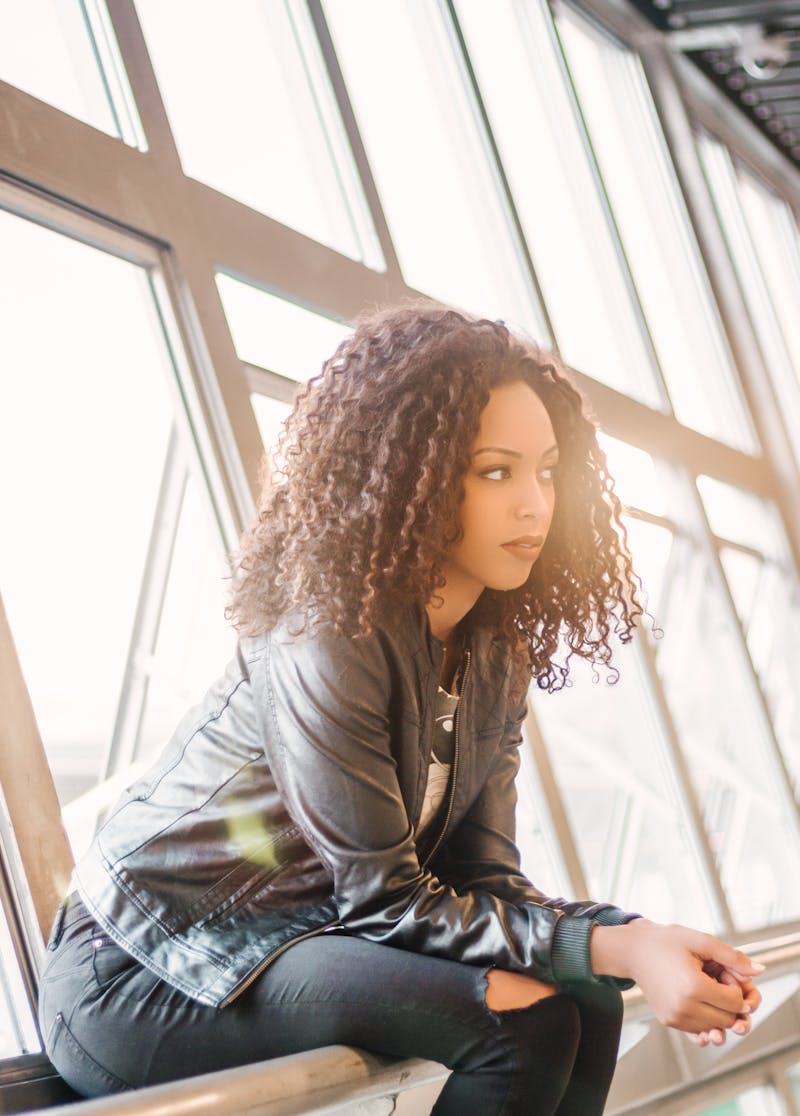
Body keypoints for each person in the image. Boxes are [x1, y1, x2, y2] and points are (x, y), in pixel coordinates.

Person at [38, 304, 762, 1114]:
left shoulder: (493, 654)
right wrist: (621, 945)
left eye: (548, 471)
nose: (535, 505)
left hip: (295, 940)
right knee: (522, 1027)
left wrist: (640, 940)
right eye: (496, 472)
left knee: (589, 1001)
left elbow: (483, 878)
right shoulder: (328, 631)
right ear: (412, 475)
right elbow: (385, 899)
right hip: (141, 968)